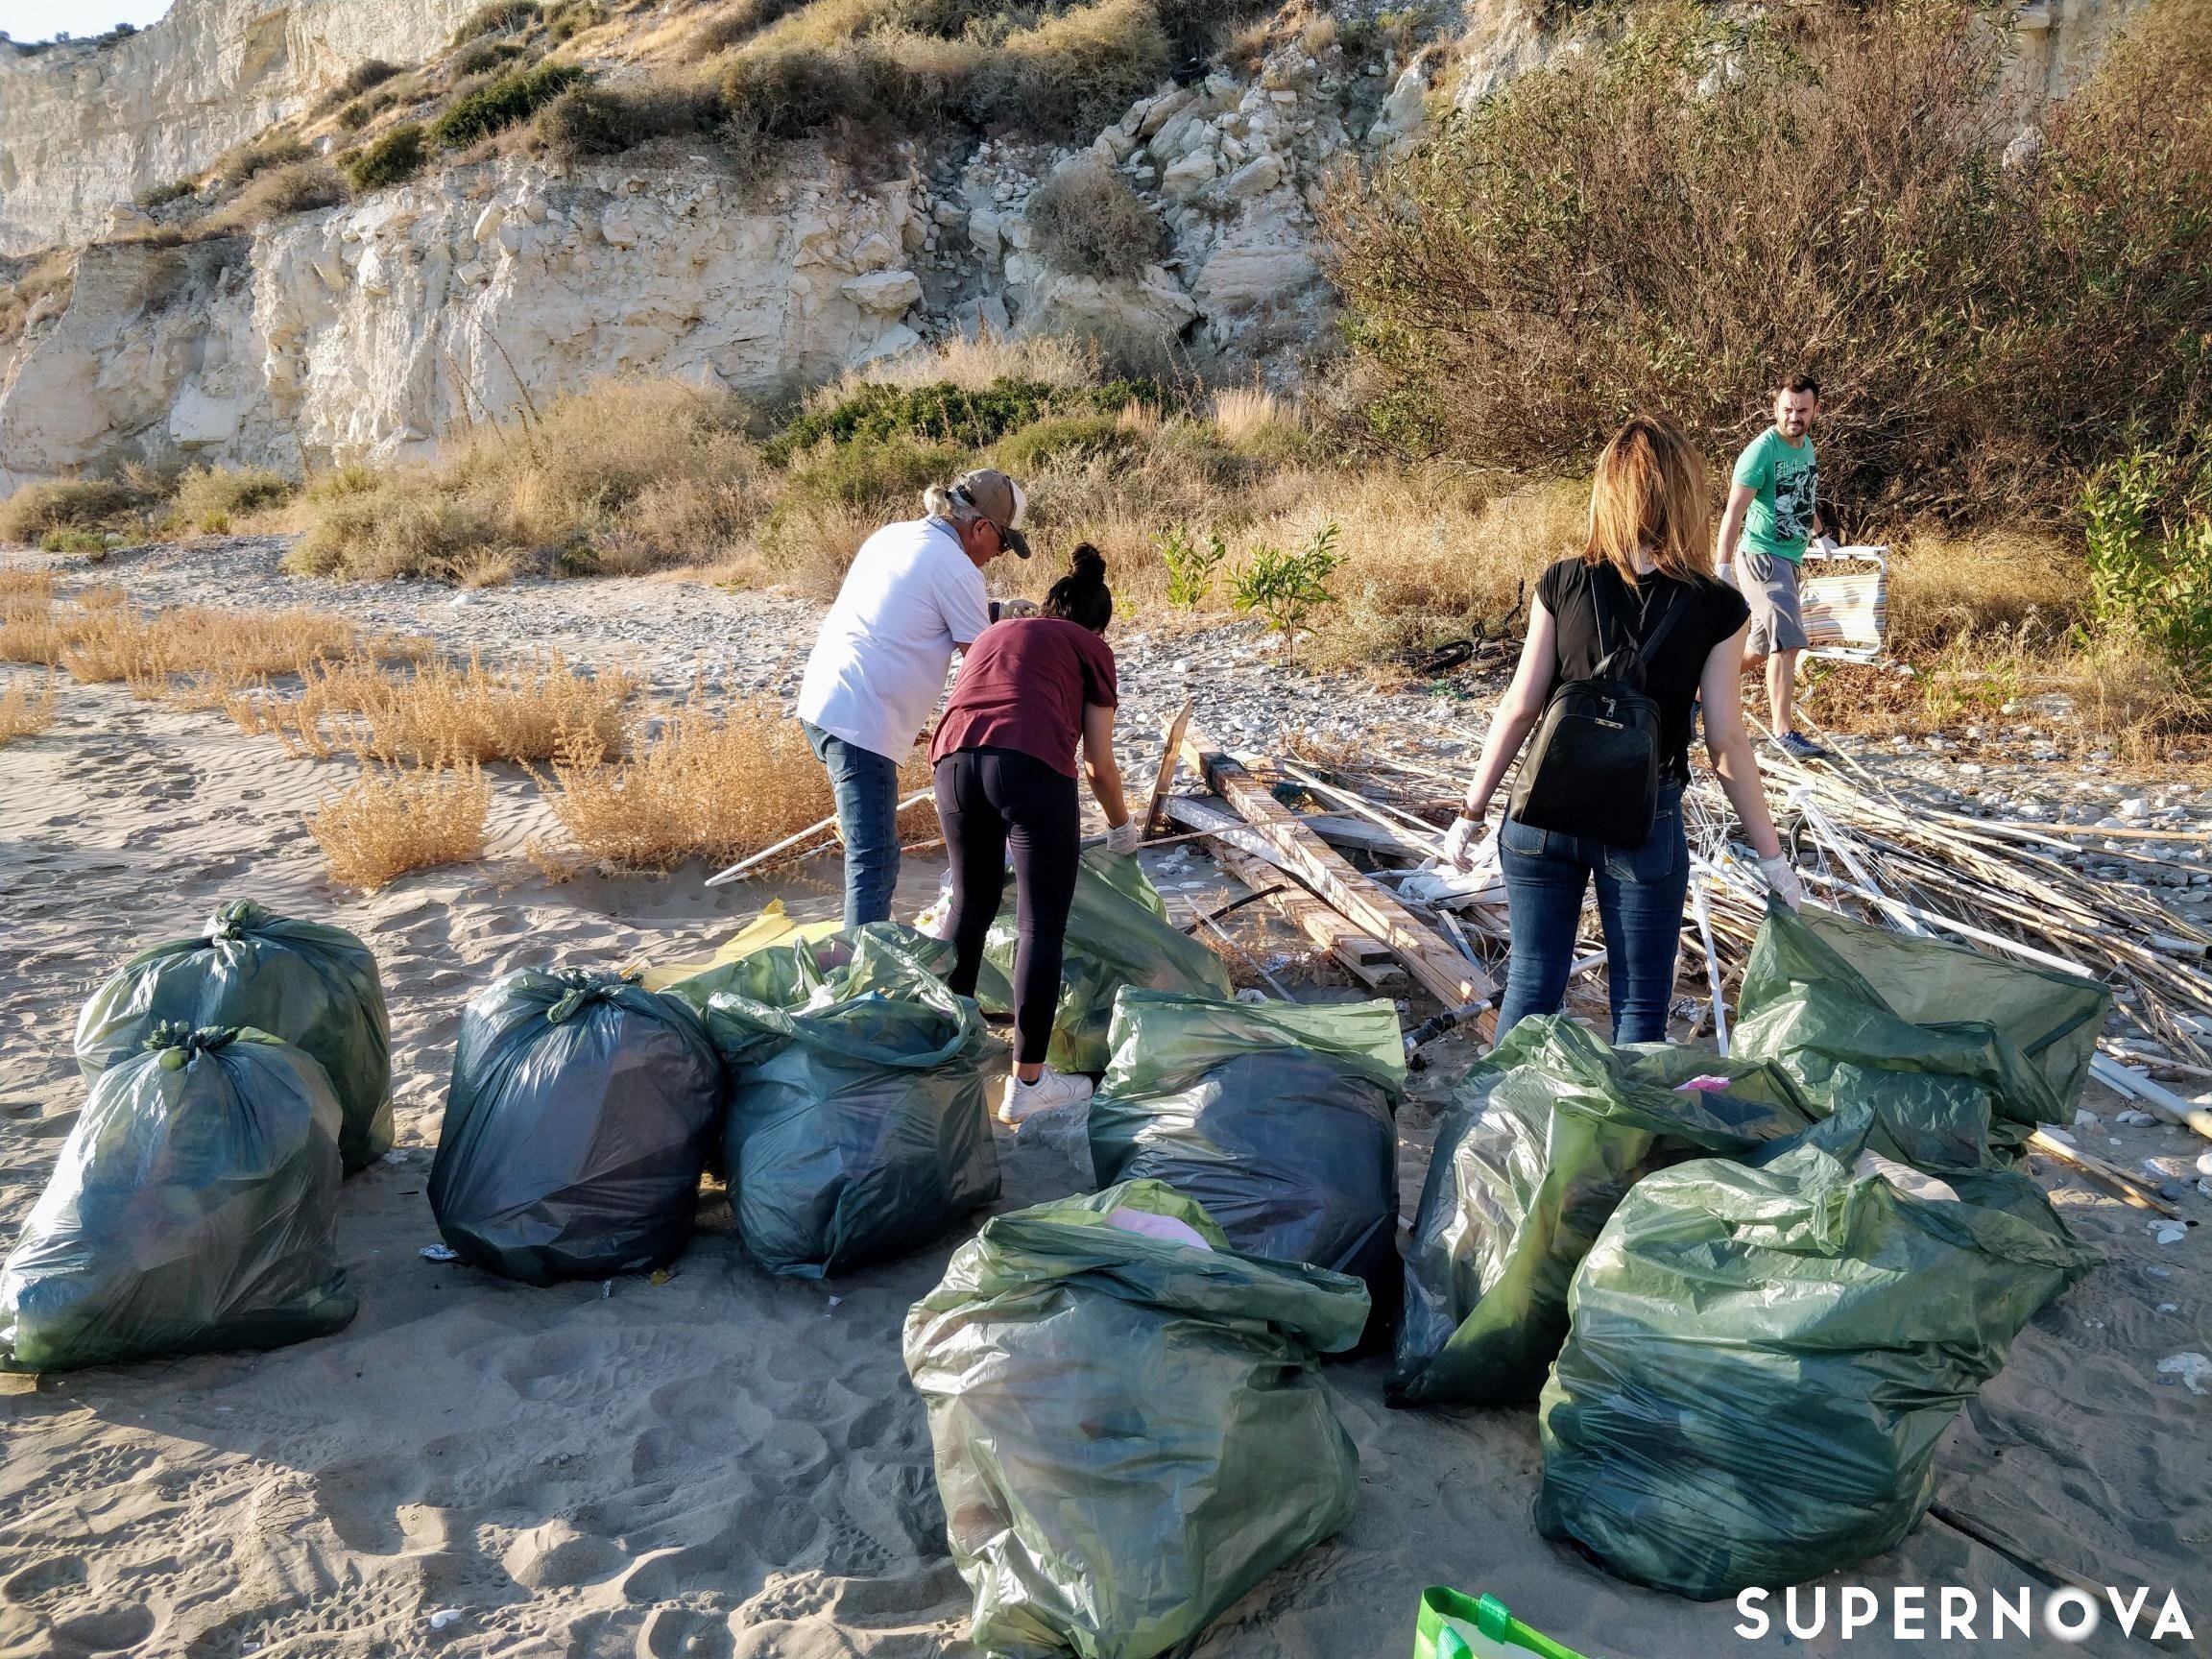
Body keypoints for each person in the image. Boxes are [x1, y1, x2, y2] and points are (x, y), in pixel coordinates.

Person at [1437, 415, 1804, 1046]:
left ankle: (1500, 1130)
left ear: (1606, 488)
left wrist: (1469, 818)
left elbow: (1520, 707)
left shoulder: (1563, 580)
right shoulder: (1719, 607)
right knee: (1638, 1005)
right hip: (1643, 822)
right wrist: (1774, 862)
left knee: (1531, 982)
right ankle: (1623, 1141)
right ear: (1685, 494)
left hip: (1541, 815)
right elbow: (1726, 743)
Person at [929, 544, 1139, 1125]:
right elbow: (1098, 761)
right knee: (1039, 924)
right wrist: (1123, 828)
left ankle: (946, 1046)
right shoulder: (1092, 647)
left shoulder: (1002, 631)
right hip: (1027, 764)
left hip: (951, 760)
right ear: (1099, 622)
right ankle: (1028, 1084)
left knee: (969, 906)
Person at [795, 468, 1037, 926]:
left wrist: (996, 612)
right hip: (862, 721)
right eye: (1002, 545)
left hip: (824, 701)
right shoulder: (956, 569)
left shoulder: (894, 535)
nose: (997, 556)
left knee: (871, 851)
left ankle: (861, 957)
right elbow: (982, 666)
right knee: (875, 860)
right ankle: (861, 977)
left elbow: (913, 604)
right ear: (981, 527)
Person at [1716, 373, 1830, 760]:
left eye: (1802, 409)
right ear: (1775, 409)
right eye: (1787, 409)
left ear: (1814, 410)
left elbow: (1802, 497)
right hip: (1762, 558)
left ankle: (1696, 693)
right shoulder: (1761, 452)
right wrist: (1722, 565)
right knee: (1790, 641)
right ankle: (1784, 733)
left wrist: (1820, 534)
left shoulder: (1806, 447)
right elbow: (1734, 512)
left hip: (1789, 558)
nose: (1794, 416)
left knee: (1762, 648)